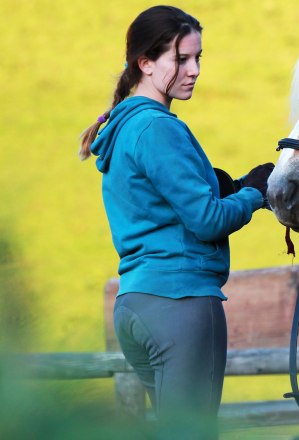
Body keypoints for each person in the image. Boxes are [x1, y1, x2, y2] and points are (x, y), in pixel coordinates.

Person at [79, 6, 272, 439]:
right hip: (179, 304)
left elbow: (168, 207)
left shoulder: (125, 127)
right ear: (144, 63)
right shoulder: (157, 128)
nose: (195, 70)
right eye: (181, 59)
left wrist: (234, 186)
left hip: (138, 304)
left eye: (199, 58)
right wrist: (256, 193)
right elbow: (205, 221)